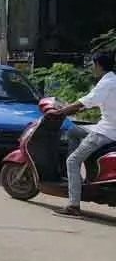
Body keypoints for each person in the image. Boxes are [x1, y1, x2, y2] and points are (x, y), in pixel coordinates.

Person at [45, 51, 116, 218]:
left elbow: (86, 100)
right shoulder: (112, 80)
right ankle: (76, 176)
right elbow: (92, 101)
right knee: (74, 131)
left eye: (93, 65)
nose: (92, 68)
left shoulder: (106, 83)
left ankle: (73, 205)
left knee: (72, 160)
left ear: (98, 65)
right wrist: (76, 106)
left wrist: (61, 111)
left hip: (106, 131)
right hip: (107, 127)